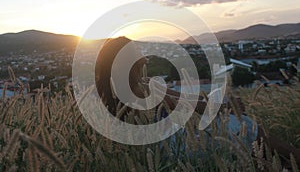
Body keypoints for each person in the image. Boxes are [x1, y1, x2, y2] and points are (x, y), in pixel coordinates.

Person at [95, 37, 300, 166]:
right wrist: (227, 107)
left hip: (163, 153)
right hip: (179, 151)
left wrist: (220, 106)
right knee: (248, 127)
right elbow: (189, 105)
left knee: (249, 141)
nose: (144, 58)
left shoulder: (111, 94)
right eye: (138, 54)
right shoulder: (142, 89)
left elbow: (182, 100)